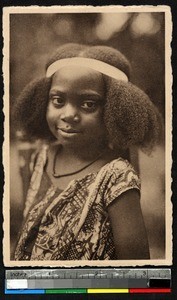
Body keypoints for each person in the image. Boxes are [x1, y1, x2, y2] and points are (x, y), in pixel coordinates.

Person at [13, 43, 161, 261]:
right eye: (58, 101)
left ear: (114, 109)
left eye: (88, 104)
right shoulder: (39, 158)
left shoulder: (116, 177)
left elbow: (136, 270)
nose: (68, 114)